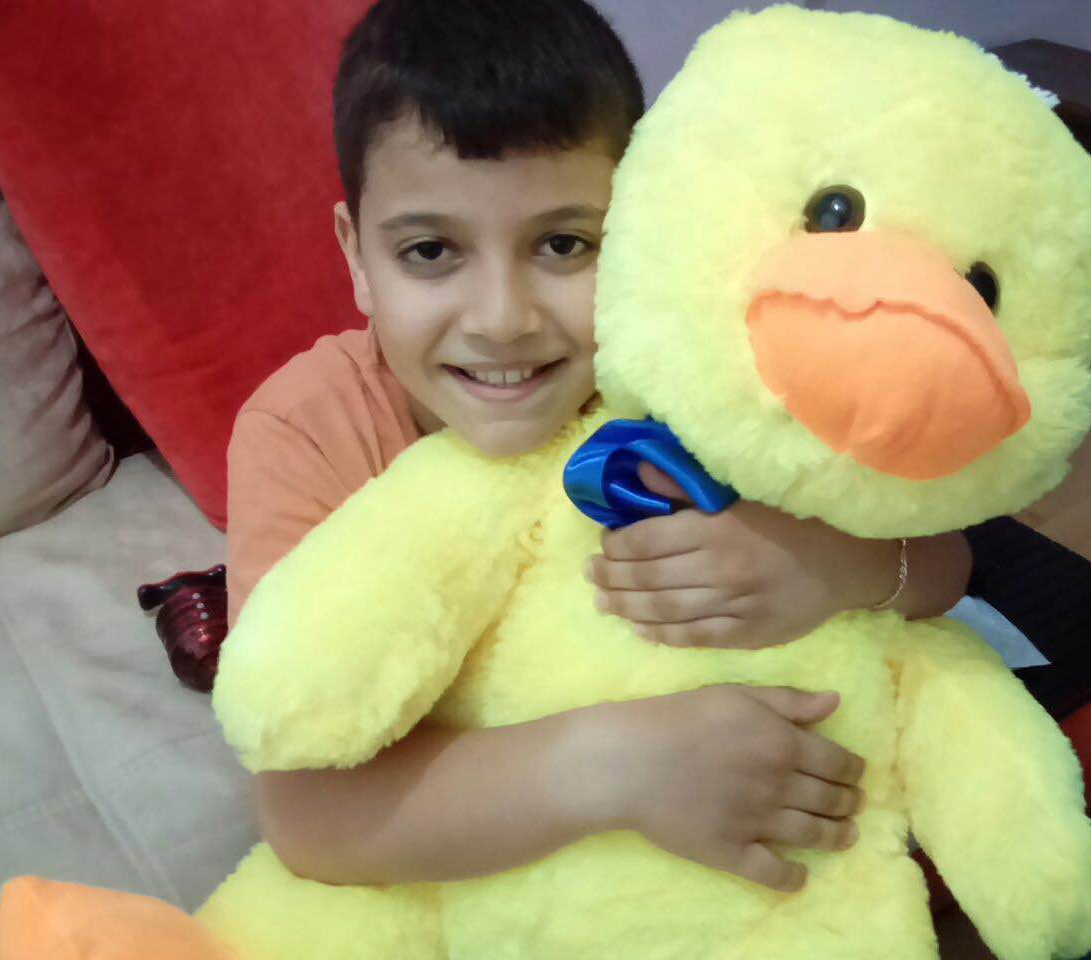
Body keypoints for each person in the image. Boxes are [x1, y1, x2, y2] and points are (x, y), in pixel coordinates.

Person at [226, 0, 974, 897]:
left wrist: (834, 563)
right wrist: (619, 763)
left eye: (563, 244)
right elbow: (307, 816)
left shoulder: (696, 366)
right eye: (429, 252)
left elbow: (950, 564)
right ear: (356, 258)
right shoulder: (308, 431)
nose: (501, 319)